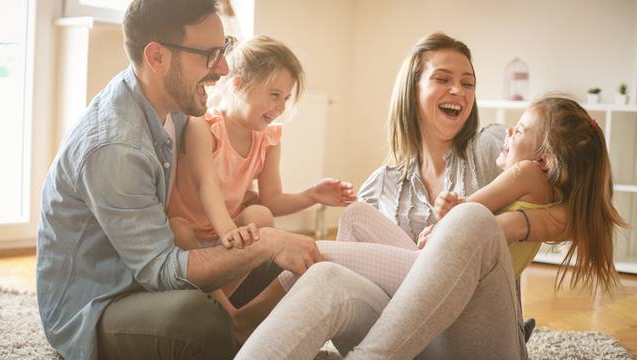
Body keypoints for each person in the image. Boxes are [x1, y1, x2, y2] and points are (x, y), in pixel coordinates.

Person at [235, 33, 577, 359]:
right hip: (408, 341)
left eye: (468, 83)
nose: (458, 90)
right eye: (442, 79)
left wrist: (513, 224)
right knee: (328, 271)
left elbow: (579, 206)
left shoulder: (494, 146)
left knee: (470, 219)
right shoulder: (379, 185)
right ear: (412, 90)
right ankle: (240, 331)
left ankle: (260, 302)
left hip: (476, 336)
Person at [36, 1, 323, 359]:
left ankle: (237, 326)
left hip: (147, 274)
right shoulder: (116, 147)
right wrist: (265, 242)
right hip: (102, 302)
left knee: (280, 268)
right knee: (198, 320)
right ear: (157, 57)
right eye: (209, 54)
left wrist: (257, 227)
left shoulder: (175, 107)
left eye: (225, 49)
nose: (221, 68)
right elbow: (160, 269)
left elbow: (211, 183)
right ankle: (231, 328)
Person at [166, 34, 356, 314]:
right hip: (192, 237)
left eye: (286, 98)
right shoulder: (204, 128)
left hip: (225, 234)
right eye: (274, 95)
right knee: (176, 227)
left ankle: (232, 306)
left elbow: (272, 199)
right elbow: (206, 185)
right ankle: (228, 314)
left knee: (261, 215)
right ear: (239, 85)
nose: (281, 107)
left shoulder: (267, 139)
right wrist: (229, 232)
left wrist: (312, 195)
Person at [431, 96, 624, 290]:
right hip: (481, 287)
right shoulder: (556, 198)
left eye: (520, 130)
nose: (509, 131)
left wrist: (447, 209)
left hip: (451, 275)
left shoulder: (527, 172)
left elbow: (465, 213)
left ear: (543, 160)